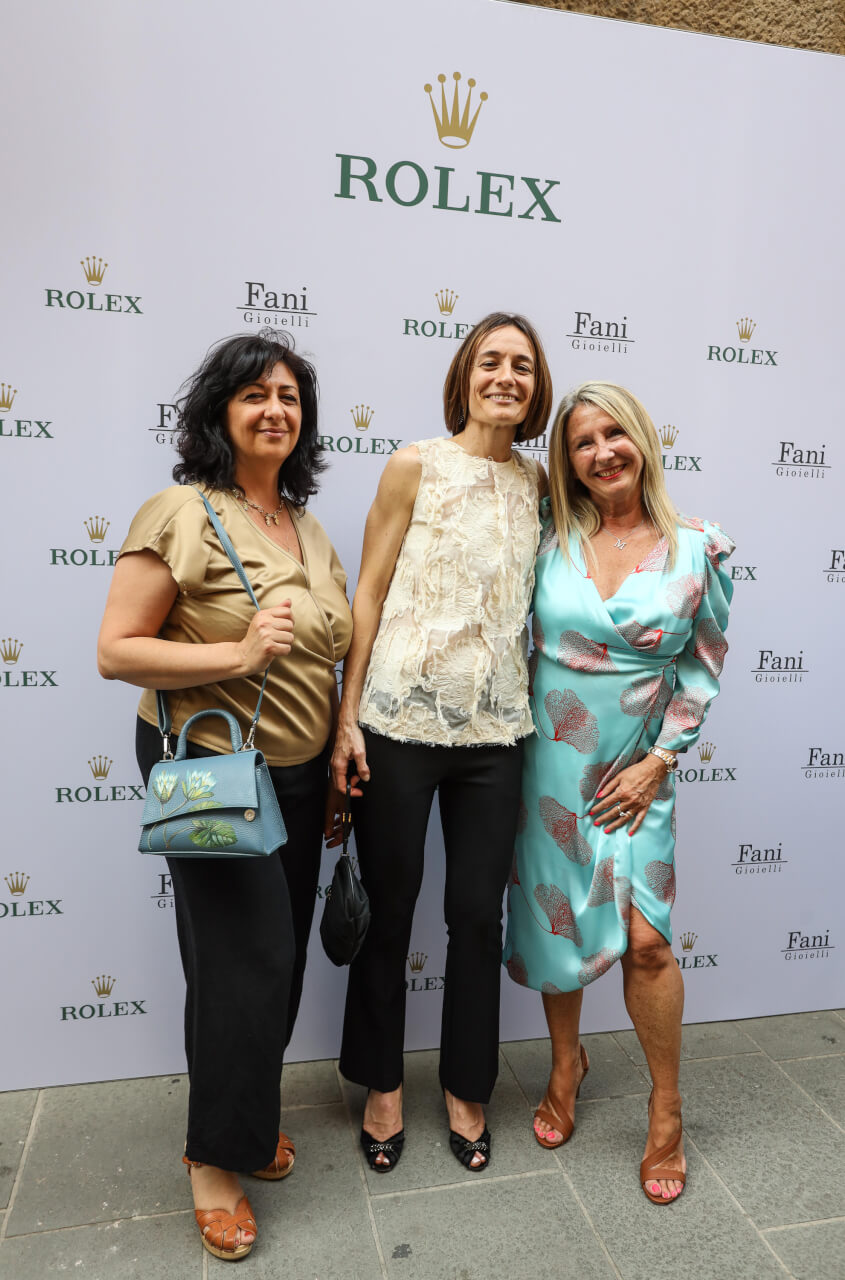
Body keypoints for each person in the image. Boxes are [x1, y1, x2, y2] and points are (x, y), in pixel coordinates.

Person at [97, 332, 352, 1260]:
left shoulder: (306, 528)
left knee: (272, 968)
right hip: (210, 766)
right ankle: (215, 1160)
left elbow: (324, 654)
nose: (275, 410)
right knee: (242, 963)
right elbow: (117, 649)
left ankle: (240, 1123)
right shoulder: (180, 511)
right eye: (255, 396)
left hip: (292, 771)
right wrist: (237, 655)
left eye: (289, 397)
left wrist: (332, 757)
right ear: (219, 413)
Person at [331, 312, 553, 1173]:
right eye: (491, 361)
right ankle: (381, 1084)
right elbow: (370, 594)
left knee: (474, 916)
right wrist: (346, 718)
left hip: (497, 731)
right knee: (389, 910)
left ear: (536, 388)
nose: (506, 376)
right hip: (397, 722)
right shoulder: (412, 464)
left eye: (523, 367)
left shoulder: (538, 485)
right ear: (464, 375)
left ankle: (467, 1086)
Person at [504, 380, 733, 1204]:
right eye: (581, 442)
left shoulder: (696, 547)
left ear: (641, 440)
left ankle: (665, 1109)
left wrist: (659, 763)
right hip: (549, 768)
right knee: (560, 925)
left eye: (614, 435)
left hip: (637, 772)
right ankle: (567, 1064)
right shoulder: (547, 537)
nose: (601, 453)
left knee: (646, 942)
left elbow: (702, 670)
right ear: (566, 463)